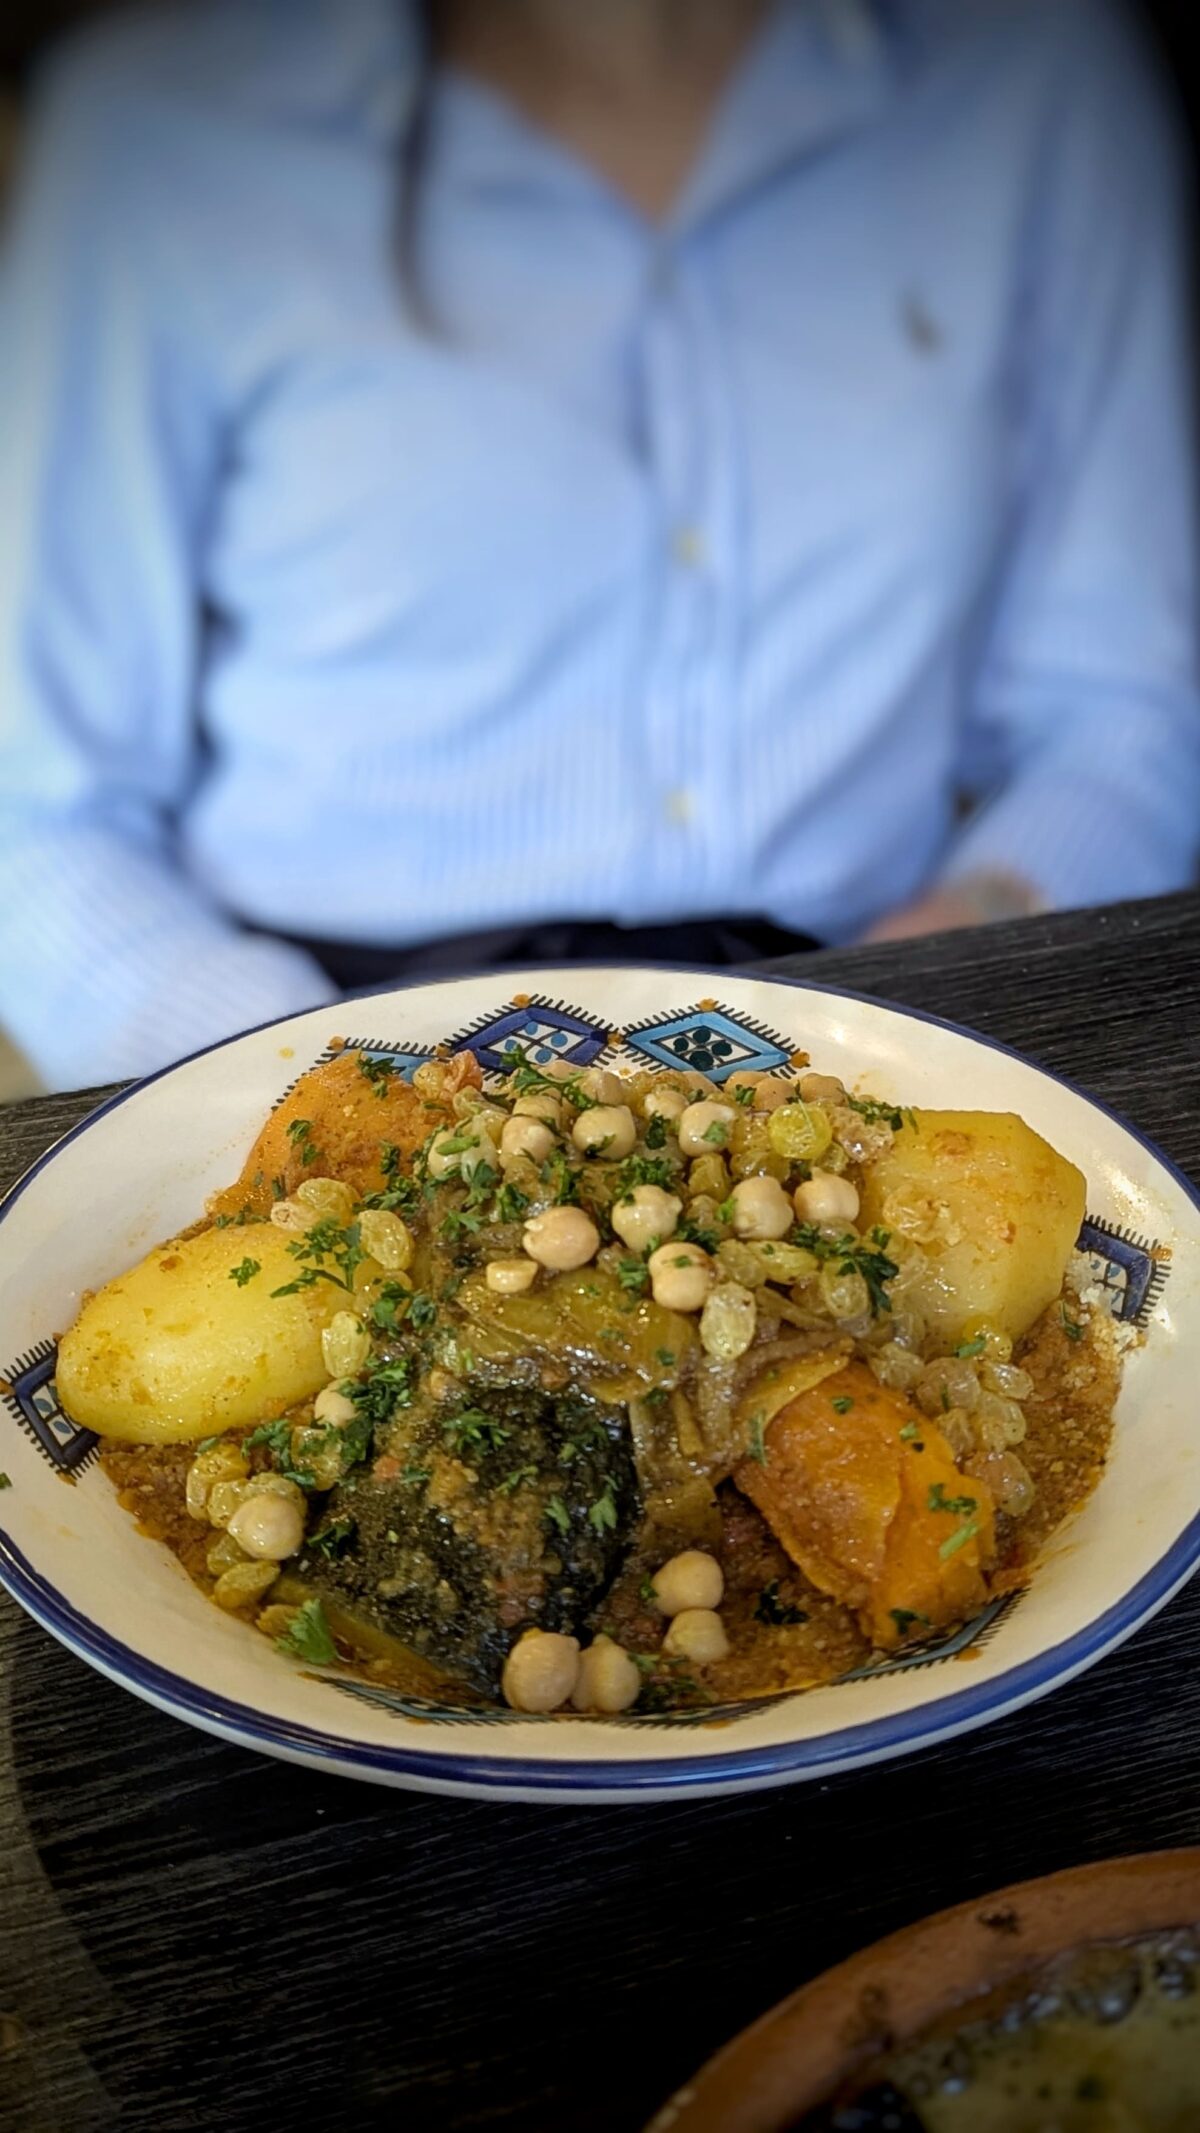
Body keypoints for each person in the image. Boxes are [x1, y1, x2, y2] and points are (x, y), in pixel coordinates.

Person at [1, 0, 1197, 1092]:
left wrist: (923, 1002)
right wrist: (320, 1091)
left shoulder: (1036, 79)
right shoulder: (162, 132)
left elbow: (1132, 706)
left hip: (868, 1020)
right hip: (315, 1024)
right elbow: (37, 812)